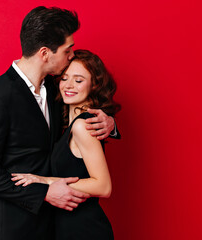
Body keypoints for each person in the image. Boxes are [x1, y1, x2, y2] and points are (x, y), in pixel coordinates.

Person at [0, 7, 117, 240]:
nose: (71, 56)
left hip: (55, 224)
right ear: (45, 53)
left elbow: (80, 119)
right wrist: (45, 192)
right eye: (68, 50)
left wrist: (110, 123)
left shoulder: (56, 88)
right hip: (14, 227)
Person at [12, 50, 121, 240]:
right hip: (67, 228)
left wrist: (43, 181)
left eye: (78, 80)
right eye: (64, 78)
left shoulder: (83, 125)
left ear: (94, 85)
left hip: (85, 229)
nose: (68, 85)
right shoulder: (69, 123)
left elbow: (103, 186)